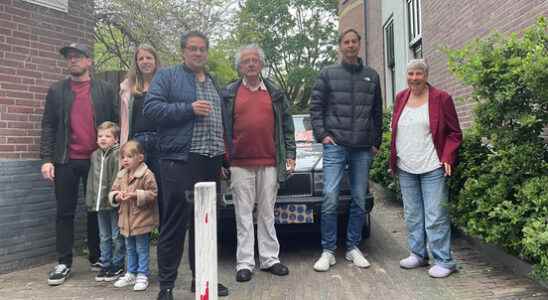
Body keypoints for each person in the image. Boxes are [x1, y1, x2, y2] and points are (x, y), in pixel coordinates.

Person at [143, 31, 229, 300]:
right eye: (192, 48)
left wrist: (226, 160)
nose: (198, 53)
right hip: (180, 160)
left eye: (202, 49)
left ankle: (202, 279)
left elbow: (221, 125)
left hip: (211, 161)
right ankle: (166, 285)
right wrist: (188, 108)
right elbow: (151, 109)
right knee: (175, 222)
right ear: (183, 51)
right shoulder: (167, 76)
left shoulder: (214, 81)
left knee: (205, 222)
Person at [40, 43, 118, 286]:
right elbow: (48, 126)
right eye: (69, 58)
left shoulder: (105, 90)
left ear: (89, 62)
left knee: (97, 210)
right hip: (65, 160)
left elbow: (117, 123)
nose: (72, 60)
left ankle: (97, 256)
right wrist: (46, 159)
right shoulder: (56, 91)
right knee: (64, 212)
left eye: (77, 57)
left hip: (98, 160)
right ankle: (64, 261)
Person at [309, 29, 383, 272]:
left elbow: (376, 112)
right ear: (340, 46)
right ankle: (328, 250)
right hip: (336, 145)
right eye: (346, 42)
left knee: (359, 199)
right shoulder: (328, 74)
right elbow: (316, 108)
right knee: (330, 197)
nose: (350, 45)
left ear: (359, 45)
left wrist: (376, 142)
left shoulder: (372, 76)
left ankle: (352, 247)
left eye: (354, 41)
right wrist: (323, 135)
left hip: (362, 147)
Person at [222, 44, 296, 282]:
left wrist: (291, 155)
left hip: (270, 161)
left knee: (266, 213)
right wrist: (224, 158)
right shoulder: (230, 93)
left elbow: (287, 127)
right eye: (246, 61)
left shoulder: (274, 92)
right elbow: (223, 129)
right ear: (240, 66)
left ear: (261, 64)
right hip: (239, 163)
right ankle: (244, 263)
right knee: (242, 214)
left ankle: (270, 259)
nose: (251, 64)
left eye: (255, 60)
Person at [389, 59, 463, 278]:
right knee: (412, 214)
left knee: (435, 215)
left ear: (426, 75)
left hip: (432, 166)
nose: (414, 78)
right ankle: (418, 254)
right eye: (410, 74)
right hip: (406, 167)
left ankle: (444, 261)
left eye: (418, 74)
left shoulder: (441, 98)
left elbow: (454, 133)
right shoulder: (401, 97)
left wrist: (448, 156)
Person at [119, 45, 163, 218]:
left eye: (149, 58)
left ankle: (163, 240)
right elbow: (124, 122)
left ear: (155, 60)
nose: (145, 62)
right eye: (141, 59)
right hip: (137, 145)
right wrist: (125, 151)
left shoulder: (165, 83)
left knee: (162, 191)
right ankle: (141, 242)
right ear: (136, 63)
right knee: (137, 192)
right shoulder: (129, 87)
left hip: (161, 142)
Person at [109, 140, 158, 291]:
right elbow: (113, 191)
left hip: (141, 219)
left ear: (140, 158)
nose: (125, 160)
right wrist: (117, 196)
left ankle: (142, 274)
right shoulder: (121, 174)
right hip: (125, 219)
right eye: (123, 157)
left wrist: (135, 195)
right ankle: (131, 272)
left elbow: (153, 193)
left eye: (129, 156)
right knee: (129, 248)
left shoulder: (147, 174)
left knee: (141, 248)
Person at [85, 121, 125, 282]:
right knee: (104, 235)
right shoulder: (94, 155)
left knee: (116, 235)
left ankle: (118, 264)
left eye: (108, 136)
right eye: (100, 136)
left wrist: (116, 196)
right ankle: (106, 264)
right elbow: (91, 180)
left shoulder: (117, 154)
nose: (103, 139)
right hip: (99, 203)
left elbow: (119, 177)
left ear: (116, 139)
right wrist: (91, 199)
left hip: (113, 202)